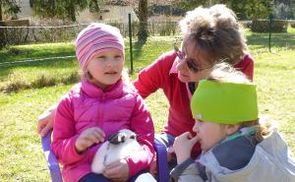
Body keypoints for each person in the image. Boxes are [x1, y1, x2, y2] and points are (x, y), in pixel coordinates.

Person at [38, 4, 254, 169]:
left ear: (222, 69)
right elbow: (126, 92)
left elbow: (241, 125)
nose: (178, 66)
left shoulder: (239, 70)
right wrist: (64, 107)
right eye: (180, 52)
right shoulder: (167, 64)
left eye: (193, 64)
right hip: (173, 142)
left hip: (222, 147)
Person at [51, 23, 155, 182]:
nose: (111, 64)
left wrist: (130, 165)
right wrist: (77, 144)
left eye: (117, 56)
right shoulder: (69, 102)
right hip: (84, 171)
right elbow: (58, 148)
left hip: (128, 168)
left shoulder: (133, 99)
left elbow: (146, 143)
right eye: (101, 57)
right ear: (86, 63)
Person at [170, 64, 295, 181]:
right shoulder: (266, 141)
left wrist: (184, 161)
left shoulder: (226, 164)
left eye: (201, 121)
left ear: (230, 126)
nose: (195, 128)